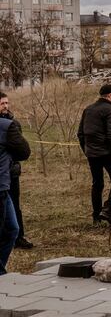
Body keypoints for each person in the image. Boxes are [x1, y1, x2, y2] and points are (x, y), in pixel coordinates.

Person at [78, 84, 111, 227]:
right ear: (110, 95)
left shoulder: (88, 109)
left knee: (97, 184)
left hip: (92, 154)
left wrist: (87, 150)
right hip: (108, 153)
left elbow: (80, 133)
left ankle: (96, 217)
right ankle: (107, 209)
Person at [0, 93, 29, 274]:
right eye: (2, 103)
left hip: (5, 183)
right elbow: (24, 151)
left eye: (6, 103)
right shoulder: (7, 126)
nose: (5, 106)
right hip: (1, 184)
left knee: (12, 228)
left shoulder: (9, 122)